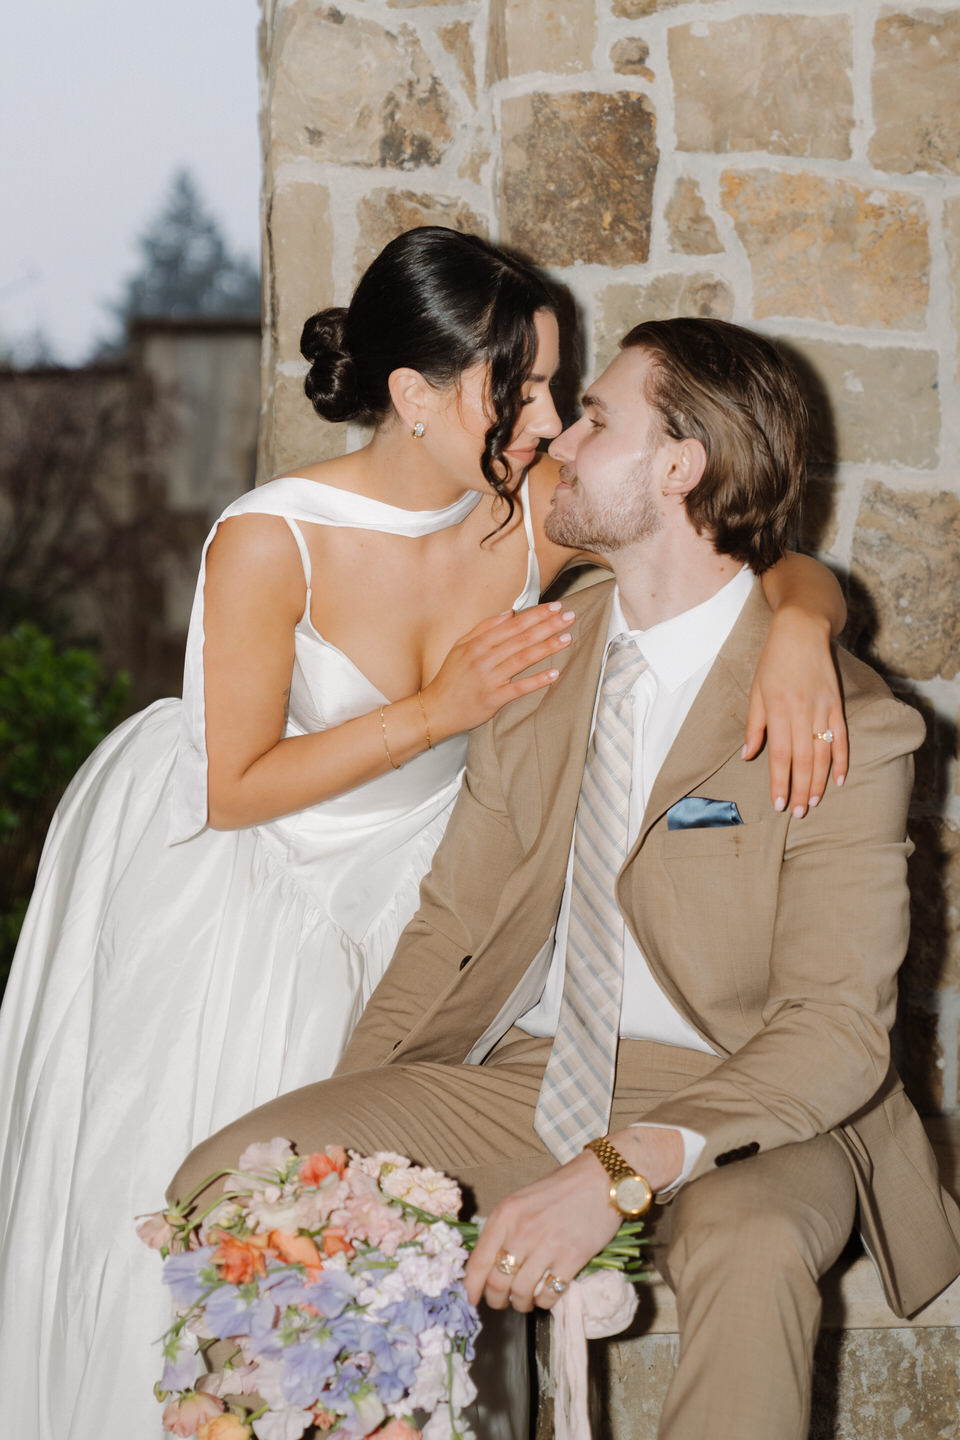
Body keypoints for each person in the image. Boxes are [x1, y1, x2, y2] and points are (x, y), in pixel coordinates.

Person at [0, 229, 842, 1440]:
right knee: (245, 1227)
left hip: (430, 888)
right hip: (256, 886)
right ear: (416, 395)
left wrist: (806, 629)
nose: (549, 421)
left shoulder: (529, 515)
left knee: (405, 1242)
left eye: (558, 388)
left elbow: (732, 540)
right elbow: (234, 784)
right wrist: (437, 714)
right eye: (524, 387)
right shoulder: (265, 539)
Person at [172, 316, 960, 1440]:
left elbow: (835, 1033)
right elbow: (454, 916)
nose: (559, 442)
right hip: (531, 1075)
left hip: (756, 1100)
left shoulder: (844, 722)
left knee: (752, 1247)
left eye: (595, 418)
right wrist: (369, 1113)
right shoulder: (536, 652)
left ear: (680, 466)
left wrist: (618, 1169)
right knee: (235, 1179)